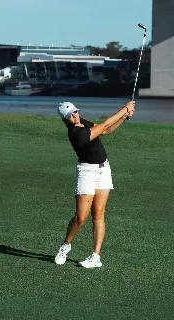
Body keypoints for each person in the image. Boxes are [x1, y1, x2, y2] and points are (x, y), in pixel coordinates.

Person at [53, 100, 135, 268]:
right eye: (70, 115)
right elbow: (105, 124)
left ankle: (96, 256)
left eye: (75, 111)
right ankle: (66, 245)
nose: (75, 115)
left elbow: (106, 130)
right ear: (65, 120)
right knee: (81, 217)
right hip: (86, 172)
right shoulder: (76, 133)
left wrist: (123, 117)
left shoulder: (83, 122)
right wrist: (124, 109)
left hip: (104, 170)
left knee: (98, 214)